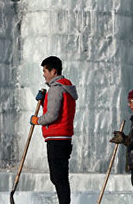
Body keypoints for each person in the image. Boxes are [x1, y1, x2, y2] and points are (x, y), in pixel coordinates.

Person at [30, 56, 78, 204]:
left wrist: (37, 120)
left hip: (57, 138)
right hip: (63, 137)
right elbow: (58, 110)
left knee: (58, 177)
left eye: (45, 71)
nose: (44, 74)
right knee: (58, 176)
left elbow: (52, 115)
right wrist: (44, 100)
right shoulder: (64, 88)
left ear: (53, 71)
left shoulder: (56, 89)